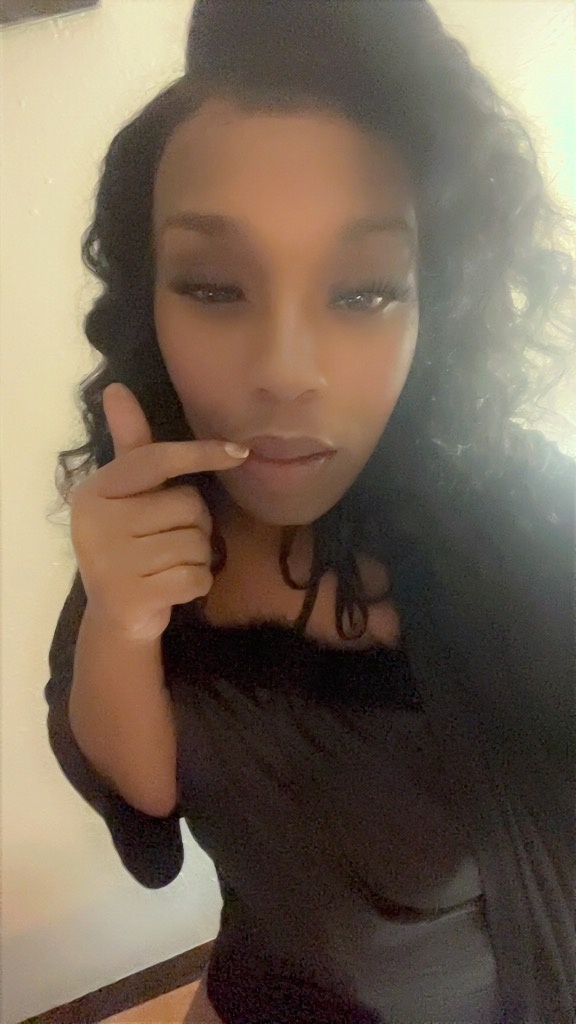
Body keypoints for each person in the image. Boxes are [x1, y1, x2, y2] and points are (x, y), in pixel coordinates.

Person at [44, 2, 575, 1022]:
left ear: (437, 302)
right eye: (214, 286)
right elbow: (147, 800)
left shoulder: (528, 542)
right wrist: (121, 617)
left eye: (365, 291)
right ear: (151, 297)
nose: (286, 372)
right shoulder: (152, 515)